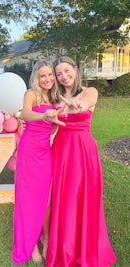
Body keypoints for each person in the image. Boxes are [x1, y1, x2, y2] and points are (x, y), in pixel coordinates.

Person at [45, 56, 117, 267]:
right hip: (61, 150)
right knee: (63, 196)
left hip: (83, 150)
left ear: (75, 70)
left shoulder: (89, 91)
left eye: (67, 71)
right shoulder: (55, 98)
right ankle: (64, 248)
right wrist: (46, 121)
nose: (63, 76)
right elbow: (53, 128)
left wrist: (78, 104)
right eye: (59, 73)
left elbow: (86, 103)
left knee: (83, 196)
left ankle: (85, 249)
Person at [12, 60, 64, 265]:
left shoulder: (54, 96)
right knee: (28, 198)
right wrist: (43, 115)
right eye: (43, 75)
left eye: (50, 74)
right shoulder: (31, 94)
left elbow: (51, 128)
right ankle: (31, 243)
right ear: (36, 77)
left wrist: (51, 124)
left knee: (47, 199)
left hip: (45, 150)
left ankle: (46, 236)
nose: (48, 79)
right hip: (29, 150)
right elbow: (24, 114)